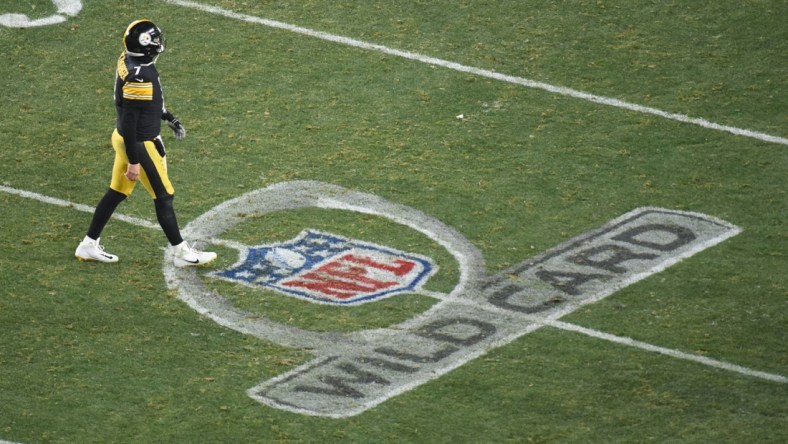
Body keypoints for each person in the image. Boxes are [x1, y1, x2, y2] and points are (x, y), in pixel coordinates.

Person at [75, 19, 216, 267]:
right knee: (163, 196)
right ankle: (181, 253)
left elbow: (144, 104)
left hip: (125, 136)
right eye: (155, 39)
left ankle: (88, 244)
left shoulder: (133, 63)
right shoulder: (141, 75)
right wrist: (134, 161)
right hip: (139, 142)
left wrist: (167, 116)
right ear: (146, 45)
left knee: (117, 192)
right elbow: (132, 119)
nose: (159, 42)